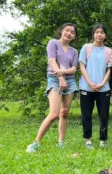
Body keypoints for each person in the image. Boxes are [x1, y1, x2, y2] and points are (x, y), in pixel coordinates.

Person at [26, 23, 79, 153]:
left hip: (70, 81)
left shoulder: (74, 51)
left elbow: (74, 68)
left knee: (64, 112)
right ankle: (36, 143)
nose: (69, 33)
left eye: (72, 32)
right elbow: (52, 61)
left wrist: (64, 73)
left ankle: (61, 141)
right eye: (67, 30)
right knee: (54, 114)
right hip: (54, 79)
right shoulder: (53, 43)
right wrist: (61, 78)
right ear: (61, 31)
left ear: (74, 36)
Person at [78, 24, 112, 149]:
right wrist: (89, 83)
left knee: (104, 115)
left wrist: (103, 83)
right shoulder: (86, 48)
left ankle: (103, 139)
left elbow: (109, 69)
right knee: (86, 114)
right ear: (93, 34)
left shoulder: (109, 51)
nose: (99, 34)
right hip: (86, 87)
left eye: (102, 32)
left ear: (105, 35)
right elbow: (82, 66)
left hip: (103, 88)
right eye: (97, 32)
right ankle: (88, 140)